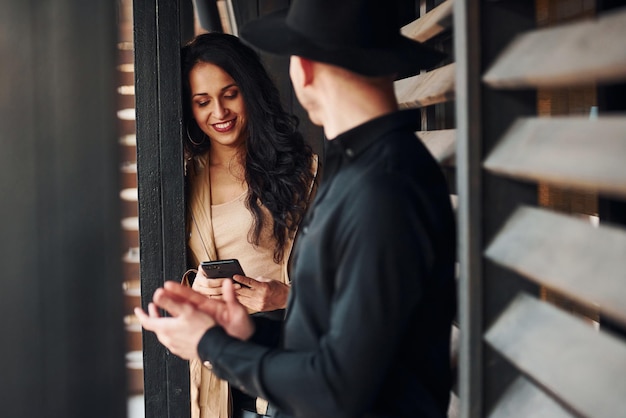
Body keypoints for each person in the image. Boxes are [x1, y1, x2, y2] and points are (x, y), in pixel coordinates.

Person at [136, 1, 457, 417]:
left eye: (230, 94)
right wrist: (245, 332)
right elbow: (335, 343)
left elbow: (337, 387)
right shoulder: (368, 170)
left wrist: (210, 344)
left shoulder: (382, 186)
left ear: (303, 70)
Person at [179, 32, 318, 418]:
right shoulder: (183, 181)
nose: (219, 112)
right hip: (221, 377)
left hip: (292, 364)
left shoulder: (304, 171)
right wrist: (196, 285)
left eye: (230, 93)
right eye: (202, 101)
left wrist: (285, 296)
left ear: (250, 92)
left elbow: (347, 279)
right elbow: (165, 284)